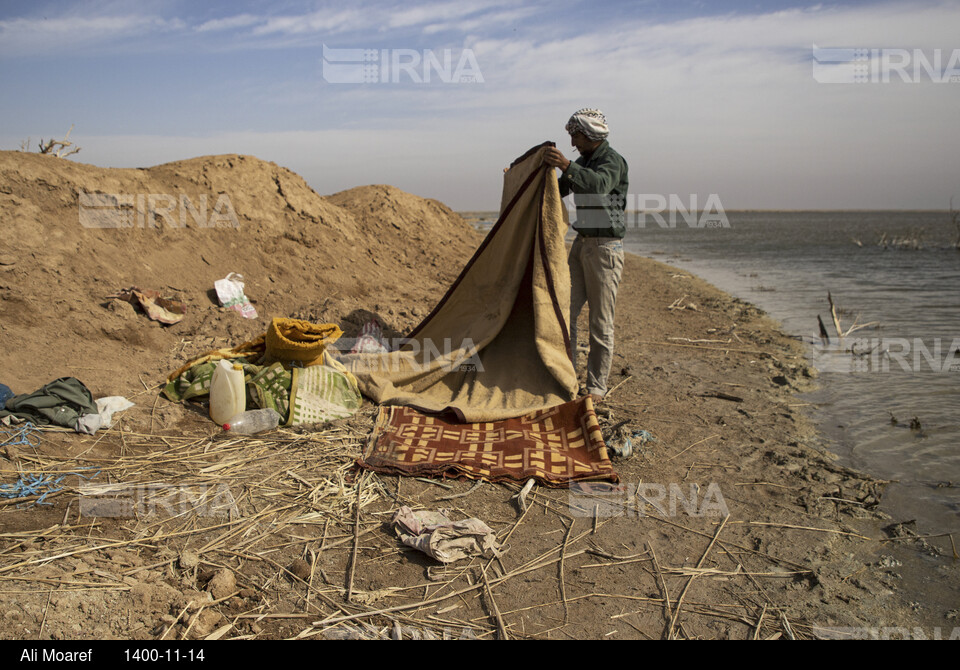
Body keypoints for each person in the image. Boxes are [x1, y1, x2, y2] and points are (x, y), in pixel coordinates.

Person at [543, 108, 628, 402]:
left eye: (576, 136)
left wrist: (566, 165)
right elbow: (559, 188)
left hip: (606, 248)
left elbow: (599, 185)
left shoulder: (611, 161)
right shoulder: (582, 161)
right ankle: (568, 377)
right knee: (566, 312)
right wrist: (533, 176)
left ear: (590, 134)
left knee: (600, 322)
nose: (573, 143)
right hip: (582, 244)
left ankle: (596, 388)